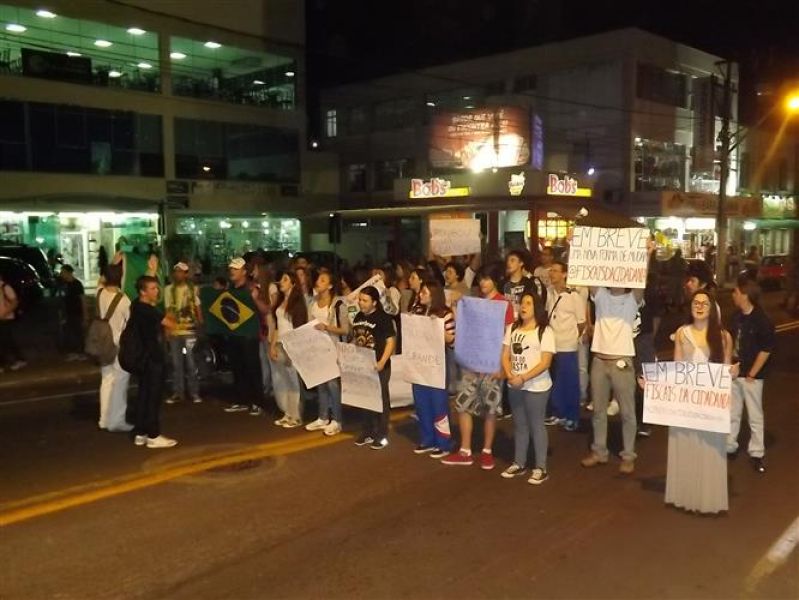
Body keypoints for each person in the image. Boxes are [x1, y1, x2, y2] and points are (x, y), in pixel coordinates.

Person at [666, 290, 734, 513]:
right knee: (687, 446)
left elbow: (726, 369)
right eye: (696, 302)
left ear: (712, 308)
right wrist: (655, 385)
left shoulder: (723, 336)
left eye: (705, 303)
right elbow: (676, 369)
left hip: (710, 405)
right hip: (686, 402)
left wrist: (732, 373)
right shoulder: (681, 333)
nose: (700, 306)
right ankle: (686, 497)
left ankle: (707, 500)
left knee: (708, 449)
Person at [442, 265, 514, 469]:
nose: (483, 283)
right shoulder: (474, 302)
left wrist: (503, 366)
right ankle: (465, 450)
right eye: (481, 279)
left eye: (487, 279)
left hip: (492, 365)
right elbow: (464, 328)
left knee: (490, 409)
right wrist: (455, 307)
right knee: (463, 405)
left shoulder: (504, 305)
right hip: (471, 364)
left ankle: (487, 450)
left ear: (495, 281)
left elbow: (508, 336)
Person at [581, 285, 644, 474]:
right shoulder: (601, 295)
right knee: (598, 410)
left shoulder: (631, 299)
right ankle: (599, 451)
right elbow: (591, 279)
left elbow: (640, 283)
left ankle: (628, 456)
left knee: (627, 412)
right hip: (599, 360)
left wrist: (644, 265)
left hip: (622, 360)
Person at [500, 291, 556, 484]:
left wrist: (523, 377)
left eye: (528, 303)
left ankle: (540, 467)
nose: (523, 306)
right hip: (515, 385)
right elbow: (505, 355)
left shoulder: (545, 331)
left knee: (536, 425)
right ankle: (519, 463)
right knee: (520, 425)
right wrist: (510, 375)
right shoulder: (512, 328)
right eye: (522, 303)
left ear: (536, 307)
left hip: (537, 386)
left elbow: (545, 362)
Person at [727, 275, 775, 473]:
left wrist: (752, 373)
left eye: (736, 292)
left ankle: (757, 453)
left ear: (745, 295)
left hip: (751, 376)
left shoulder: (761, 319)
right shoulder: (736, 317)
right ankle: (730, 446)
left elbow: (766, 349)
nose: (733, 295)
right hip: (734, 372)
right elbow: (729, 341)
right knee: (733, 411)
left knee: (754, 415)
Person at [128, 275, 178, 448]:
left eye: (157, 288)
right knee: (153, 397)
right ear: (143, 292)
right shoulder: (148, 310)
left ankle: (140, 432)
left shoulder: (136, 305)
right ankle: (153, 434)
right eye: (153, 289)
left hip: (141, 357)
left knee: (143, 394)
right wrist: (170, 313)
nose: (157, 291)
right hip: (153, 357)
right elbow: (170, 324)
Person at [410, 280, 455, 459]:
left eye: (425, 292)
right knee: (421, 403)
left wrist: (437, 328)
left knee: (438, 404)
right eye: (420, 292)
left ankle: (443, 443)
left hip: (437, 364)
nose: (420, 295)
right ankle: (427, 439)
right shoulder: (417, 311)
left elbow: (452, 340)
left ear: (434, 295)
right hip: (419, 364)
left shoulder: (445, 314)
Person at [350, 286, 396, 449]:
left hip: (378, 365)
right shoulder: (358, 317)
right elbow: (356, 338)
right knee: (365, 399)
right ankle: (367, 431)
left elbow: (390, 341)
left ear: (374, 302)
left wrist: (382, 361)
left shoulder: (383, 318)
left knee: (381, 400)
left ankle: (382, 434)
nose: (361, 303)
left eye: (365, 300)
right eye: (360, 300)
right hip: (363, 364)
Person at [305, 269, 349, 436]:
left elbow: (345, 329)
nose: (318, 282)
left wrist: (326, 327)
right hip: (317, 348)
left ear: (330, 286)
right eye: (319, 279)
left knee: (332, 384)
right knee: (320, 382)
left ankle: (337, 420)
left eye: (323, 280)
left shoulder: (338, 304)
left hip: (333, 348)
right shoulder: (312, 302)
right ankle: (323, 417)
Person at [545, 260, 586, 431]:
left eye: (556, 271)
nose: (552, 274)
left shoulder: (573, 296)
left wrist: (572, 337)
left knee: (569, 382)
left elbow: (581, 322)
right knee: (556, 381)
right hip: (552, 345)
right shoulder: (549, 292)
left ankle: (572, 416)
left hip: (567, 345)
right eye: (551, 270)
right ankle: (558, 412)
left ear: (564, 274)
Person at [222, 258, 265, 416]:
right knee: (237, 367)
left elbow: (264, 310)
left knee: (252, 367)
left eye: (236, 269)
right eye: (231, 269)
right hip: (234, 333)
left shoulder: (252, 287)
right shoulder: (231, 289)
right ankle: (241, 399)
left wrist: (255, 298)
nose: (232, 271)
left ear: (244, 271)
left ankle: (257, 402)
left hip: (249, 334)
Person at [270, 270, 309, 428]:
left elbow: (298, 329)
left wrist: (294, 350)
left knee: (293, 381)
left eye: (285, 279)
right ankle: (288, 412)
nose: (281, 282)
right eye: (281, 279)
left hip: (292, 345)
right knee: (284, 380)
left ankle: (296, 415)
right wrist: (272, 345)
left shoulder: (297, 302)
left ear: (293, 283)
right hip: (280, 343)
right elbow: (277, 327)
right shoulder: (281, 301)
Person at [95, 265, 131, 432]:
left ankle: (104, 419)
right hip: (118, 344)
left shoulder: (99, 293)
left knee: (106, 380)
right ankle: (116, 420)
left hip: (102, 344)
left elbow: (100, 282)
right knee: (120, 382)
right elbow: (130, 322)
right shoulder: (123, 300)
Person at [163, 262, 203, 405]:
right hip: (175, 329)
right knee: (176, 364)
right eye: (176, 271)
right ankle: (178, 392)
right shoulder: (168, 290)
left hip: (190, 330)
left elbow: (198, 307)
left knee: (191, 363)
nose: (178, 274)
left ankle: (194, 392)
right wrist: (167, 330)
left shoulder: (193, 289)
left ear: (186, 274)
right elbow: (168, 310)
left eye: (181, 271)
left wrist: (200, 324)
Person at [58, 265, 88, 361]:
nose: (61, 274)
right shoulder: (64, 285)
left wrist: (85, 315)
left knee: (78, 333)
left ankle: (81, 352)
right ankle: (73, 352)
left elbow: (83, 299)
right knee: (69, 333)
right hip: (68, 313)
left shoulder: (77, 284)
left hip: (77, 313)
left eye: (63, 272)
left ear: (68, 273)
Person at [0, 274, 26, 372]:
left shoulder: (5, 287)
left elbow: (14, 302)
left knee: (5, 340)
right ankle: (13, 360)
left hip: (5, 318)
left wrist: (5, 313)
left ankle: (17, 360)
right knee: (6, 340)